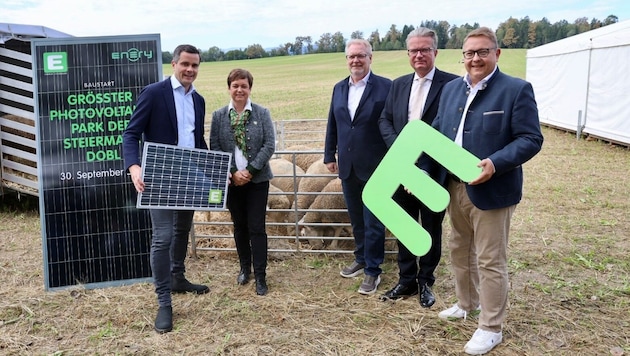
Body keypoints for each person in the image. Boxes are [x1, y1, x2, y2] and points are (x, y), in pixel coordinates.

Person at [420, 27, 543, 355]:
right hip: (454, 185)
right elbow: (436, 134)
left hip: (492, 189)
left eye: (482, 52)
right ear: (463, 56)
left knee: (489, 259)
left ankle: (491, 327)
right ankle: (466, 304)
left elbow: (531, 139)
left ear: (497, 54)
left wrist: (494, 163)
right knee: (459, 249)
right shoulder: (449, 91)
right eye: (469, 53)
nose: (475, 58)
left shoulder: (516, 90)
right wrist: (420, 168)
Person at [122, 44, 210, 334]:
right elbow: (131, 133)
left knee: (183, 230)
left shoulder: (198, 100)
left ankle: (178, 277)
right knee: (162, 237)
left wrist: (213, 173)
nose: (190, 70)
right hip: (157, 176)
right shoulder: (154, 93)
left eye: (195, 65)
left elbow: (198, 142)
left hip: (187, 177)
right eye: (185, 64)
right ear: (173, 64)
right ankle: (164, 302)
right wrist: (134, 167)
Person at [378, 27, 458, 308]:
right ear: (408, 54)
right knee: (404, 225)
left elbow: (449, 130)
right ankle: (406, 279)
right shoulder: (397, 84)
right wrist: (402, 153)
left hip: (432, 172)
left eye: (425, 49)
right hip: (400, 169)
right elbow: (385, 121)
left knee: (431, 226)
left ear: (435, 52)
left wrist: (421, 164)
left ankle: (426, 281)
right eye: (414, 50)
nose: (419, 54)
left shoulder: (452, 85)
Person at [324, 39, 392, 295]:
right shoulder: (339, 88)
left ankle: (373, 271)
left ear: (370, 58)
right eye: (352, 56)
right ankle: (361, 257)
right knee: (356, 218)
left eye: (361, 56)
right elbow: (334, 123)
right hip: (348, 166)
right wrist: (329, 154)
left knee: (373, 219)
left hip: (377, 165)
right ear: (346, 60)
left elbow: (392, 123)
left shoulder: (386, 87)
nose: (356, 61)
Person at [210, 68, 275, 296]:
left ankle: (261, 275)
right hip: (231, 182)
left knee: (257, 227)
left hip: (257, 181)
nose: (239, 90)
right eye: (235, 85)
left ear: (250, 89)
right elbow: (215, 147)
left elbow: (269, 145)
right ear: (229, 88)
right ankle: (244, 268)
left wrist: (249, 171)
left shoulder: (261, 113)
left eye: (244, 86)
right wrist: (233, 172)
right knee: (240, 226)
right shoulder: (219, 116)